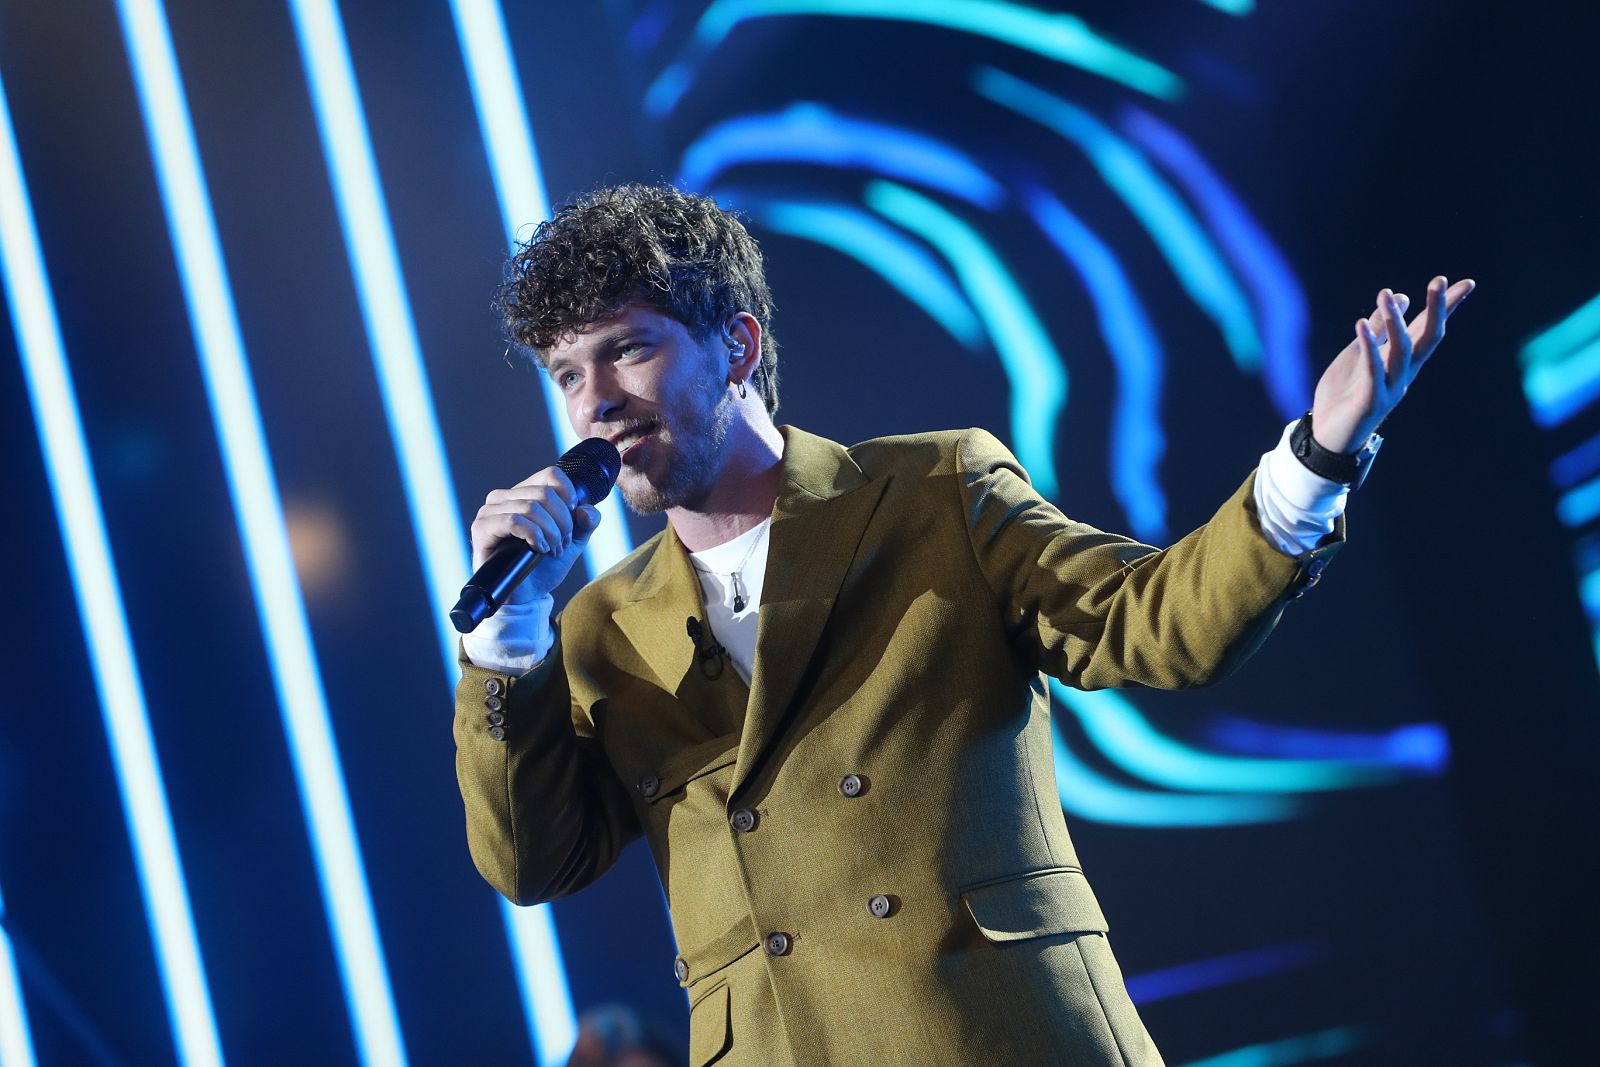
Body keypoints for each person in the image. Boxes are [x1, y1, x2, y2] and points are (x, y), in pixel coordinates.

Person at [453, 183, 1474, 1066]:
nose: (597, 402)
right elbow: (532, 860)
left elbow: (1152, 622)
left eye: (627, 349)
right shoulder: (593, 629)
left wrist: (1311, 462)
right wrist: (507, 641)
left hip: (995, 1036)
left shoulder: (932, 489)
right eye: (568, 373)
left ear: (736, 346)